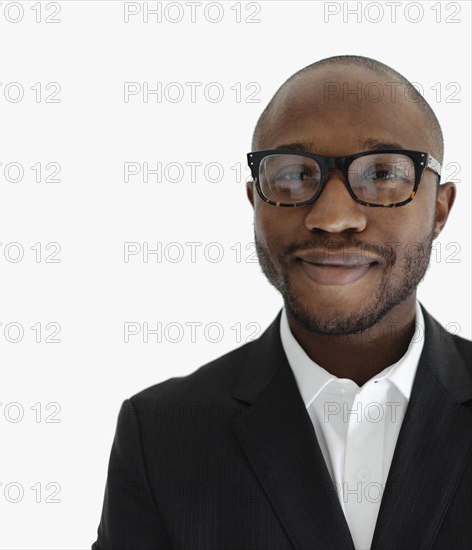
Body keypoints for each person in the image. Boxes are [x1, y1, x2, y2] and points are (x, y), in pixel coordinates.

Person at [91, 55, 471, 549]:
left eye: (381, 174)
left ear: (439, 209)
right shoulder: (163, 435)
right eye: (293, 175)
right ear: (255, 201)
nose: (334, 217)